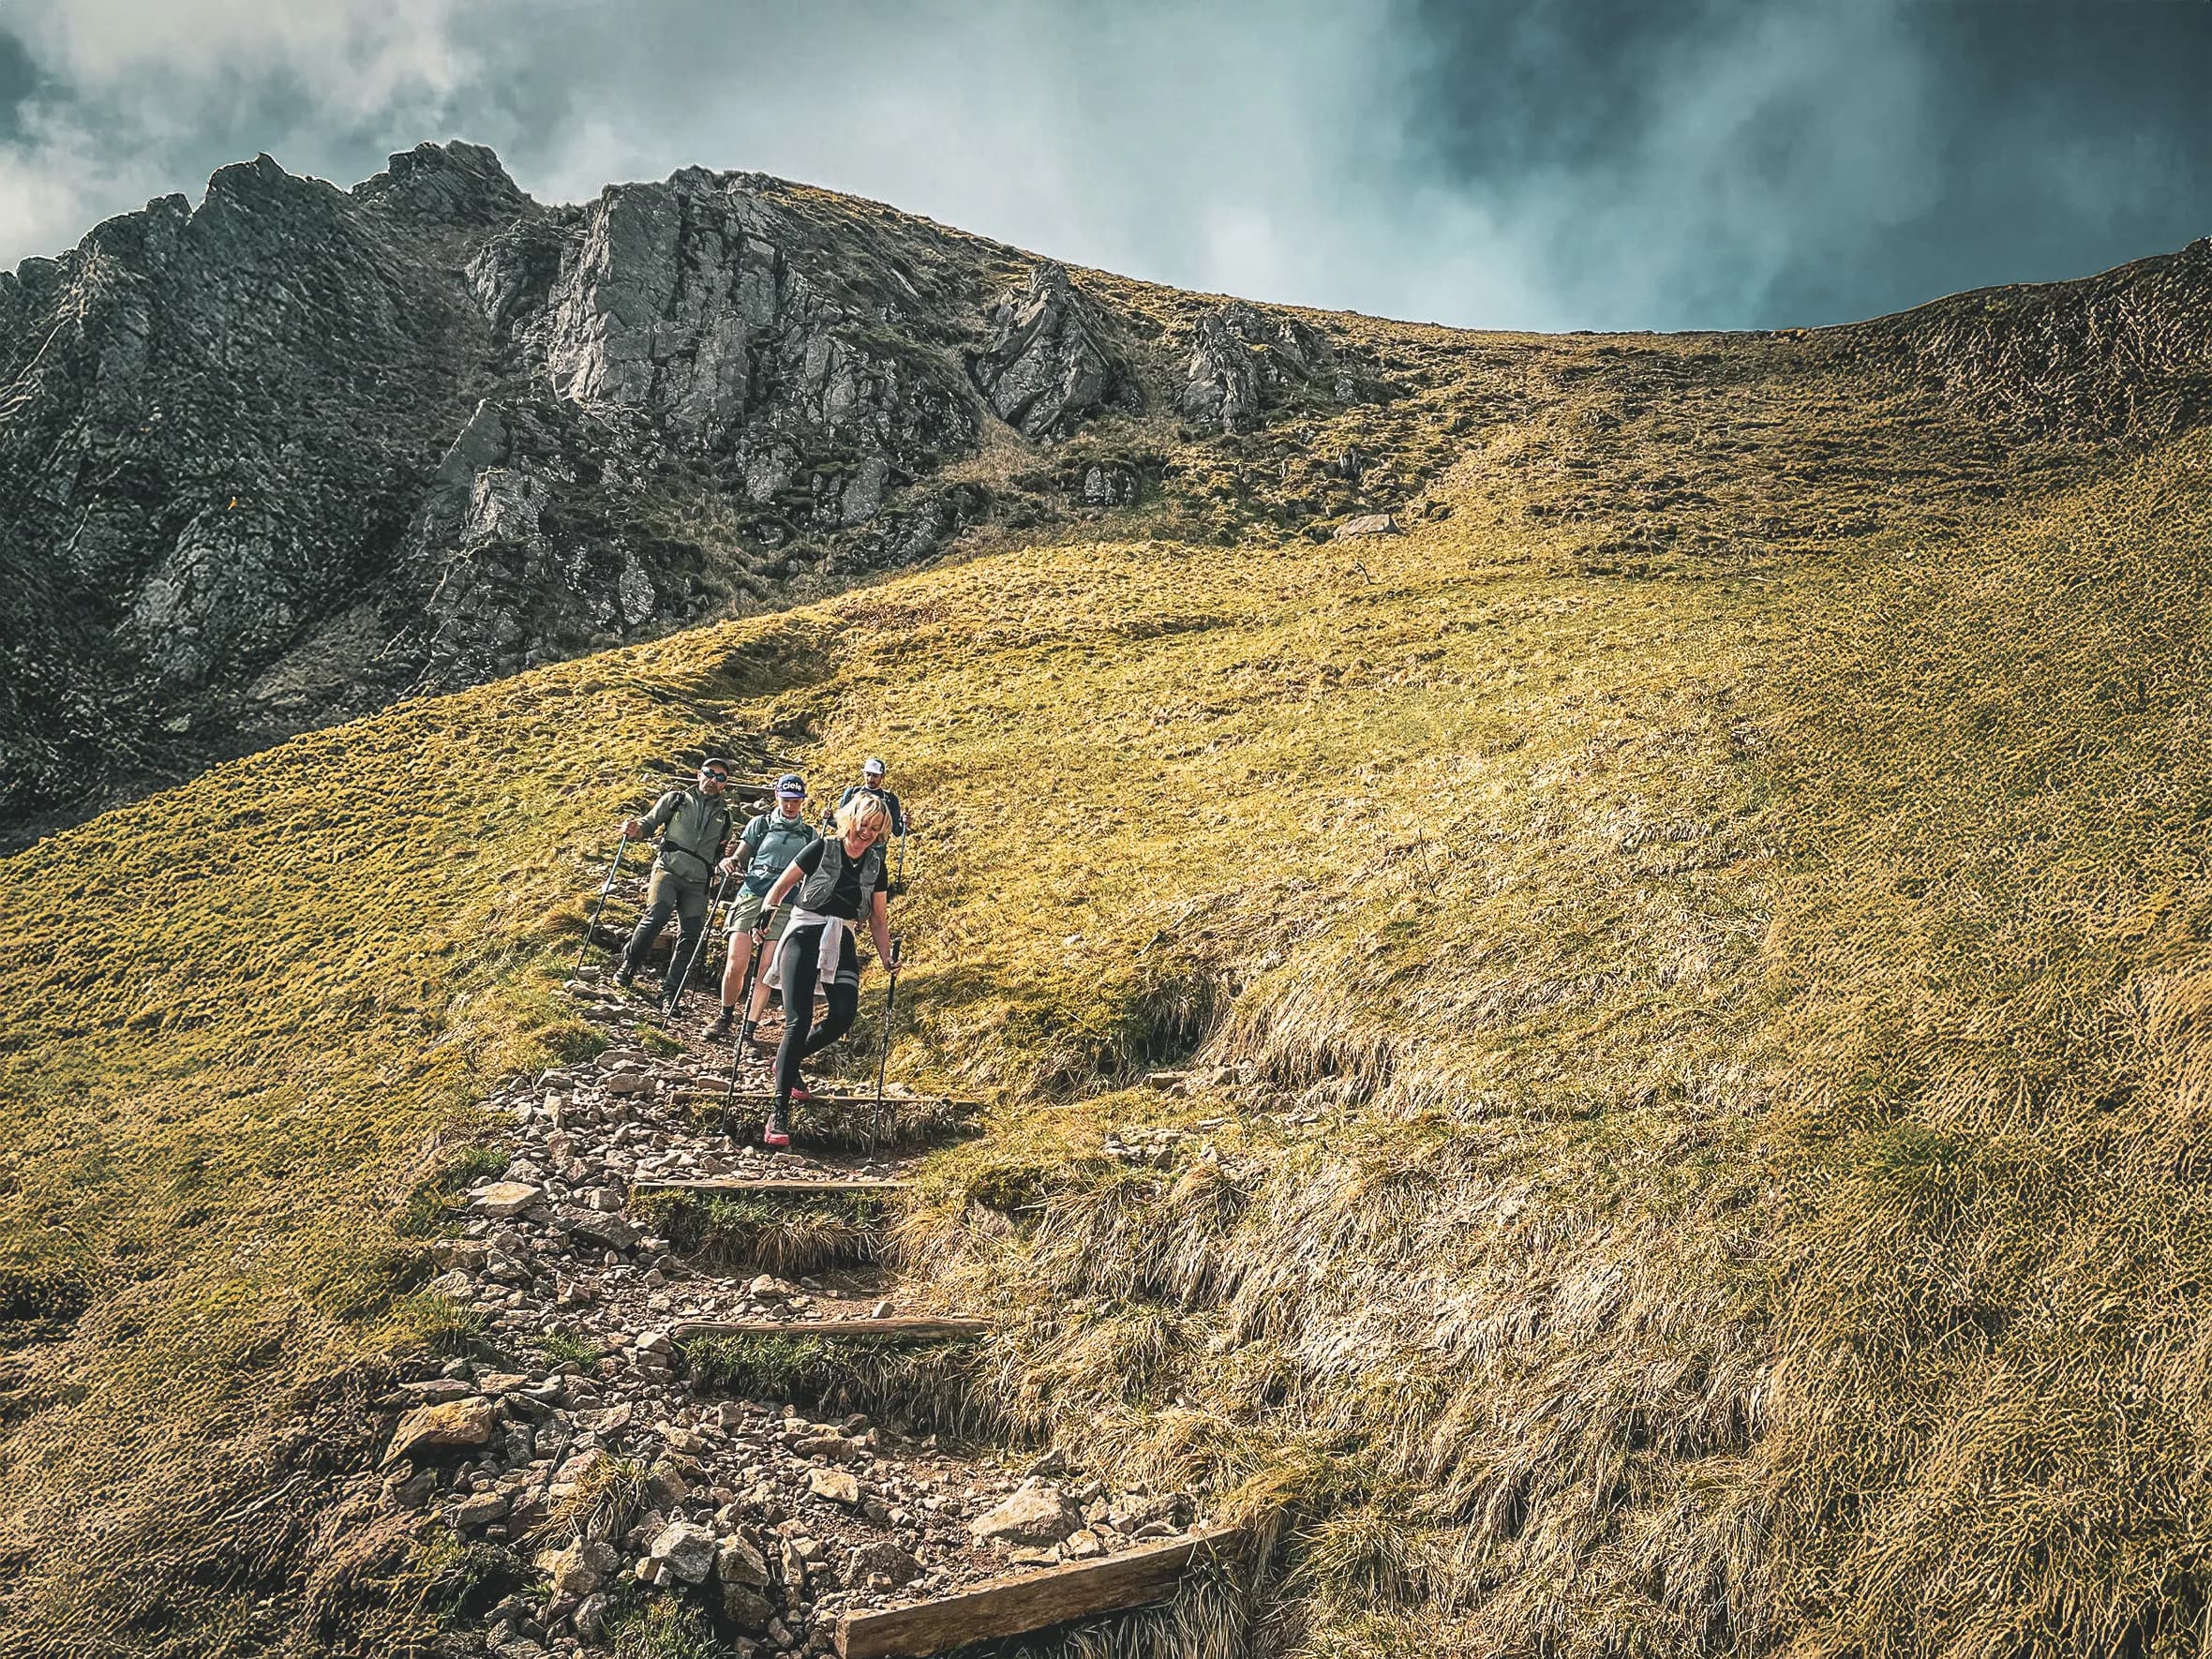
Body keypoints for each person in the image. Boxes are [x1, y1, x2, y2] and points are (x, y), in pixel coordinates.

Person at [755, 792, 900, 1147]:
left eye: (876, 829)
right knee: (798, 1019)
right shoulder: (822, 847)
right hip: (804, 931)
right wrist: (767, 911)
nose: (867, 833)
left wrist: (886, 958)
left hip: (844, 935)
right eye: (864, 824)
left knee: (843, 1015)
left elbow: (879, 919)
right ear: (851, 819)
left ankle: (789, 1059)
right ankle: (779, 1112)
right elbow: (782, 885)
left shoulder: (875, 866)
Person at [613, 758, 736, 1007]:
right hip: (667, 871)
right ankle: (629, 964)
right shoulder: (676, 799)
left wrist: (730, 856)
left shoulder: (725, 816)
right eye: (709, 773)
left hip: (699, 882)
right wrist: (635, 828)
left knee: (691, 935)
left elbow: (722, 852)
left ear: (725, 785)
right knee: (657, 914)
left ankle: (670, 993)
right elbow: (650, 823)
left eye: (720, 778)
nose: (713, 780)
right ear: (698, 773)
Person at [709, 772, 818, 1043]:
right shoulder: (761, 824)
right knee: (737, 962)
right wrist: (730, 862)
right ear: (776, 796)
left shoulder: (809, 834)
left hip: (785, 903)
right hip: (752, 894)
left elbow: (814, 872)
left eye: (795, 800)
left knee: (767, 969)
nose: (789, 805)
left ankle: (749, 1029)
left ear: (802, 800)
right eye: (785, 798)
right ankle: (725, 1016)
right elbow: (741, 855)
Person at [833, 755, 907, 837]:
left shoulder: (890, 799)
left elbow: (896, 831)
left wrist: (904, 823)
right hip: (852, 843)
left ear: (882, 776)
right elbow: (839, 822)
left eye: (875, 776)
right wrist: (828, 817)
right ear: (863, 774)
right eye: (868, 774)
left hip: (877, 846)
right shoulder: (852, 793)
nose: (870, 779)